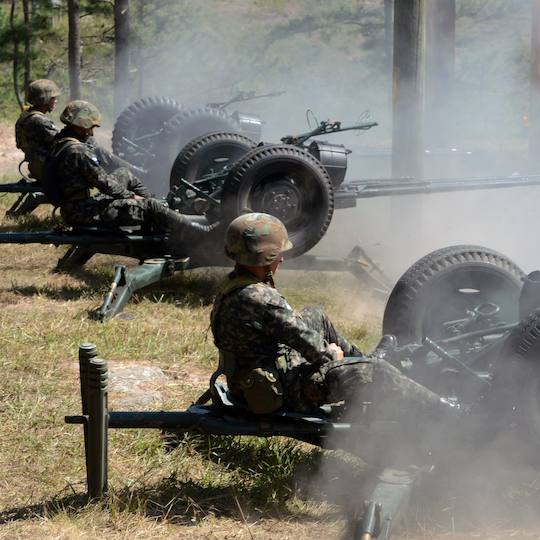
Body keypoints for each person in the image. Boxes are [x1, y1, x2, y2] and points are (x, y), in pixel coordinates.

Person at [209, 212, 465, 433]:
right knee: (374, 372)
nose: (282, 260)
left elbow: (291, 332)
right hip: (277, 392)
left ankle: (362, 358)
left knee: (316, 315)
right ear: (266, 258)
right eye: (278, 255)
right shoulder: (263, 299)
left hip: (254, 377)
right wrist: (331, 354)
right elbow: (311, 346)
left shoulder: (235, 285)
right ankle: (449, 412)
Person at [42, 100, 215, 236]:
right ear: (82, 124)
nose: (92, 133)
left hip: (75, 207)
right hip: (83, 213)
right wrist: (132, 197)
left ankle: (163, 208)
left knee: (124, 174)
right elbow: (105, 184)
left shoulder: (61, 142)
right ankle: (200, 231)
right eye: (91, 127)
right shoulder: (79, 151)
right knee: (150, 207)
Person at [15, 79, 138, 182]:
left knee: (91, 146)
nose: (56, 100)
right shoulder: (39, 121)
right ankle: (133, 172)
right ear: (44, 99)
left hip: (38, 166)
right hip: (49, 169)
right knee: (94, 148)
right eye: (53, 98)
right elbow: (62, 143)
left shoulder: (26, 116)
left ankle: (130, 170)